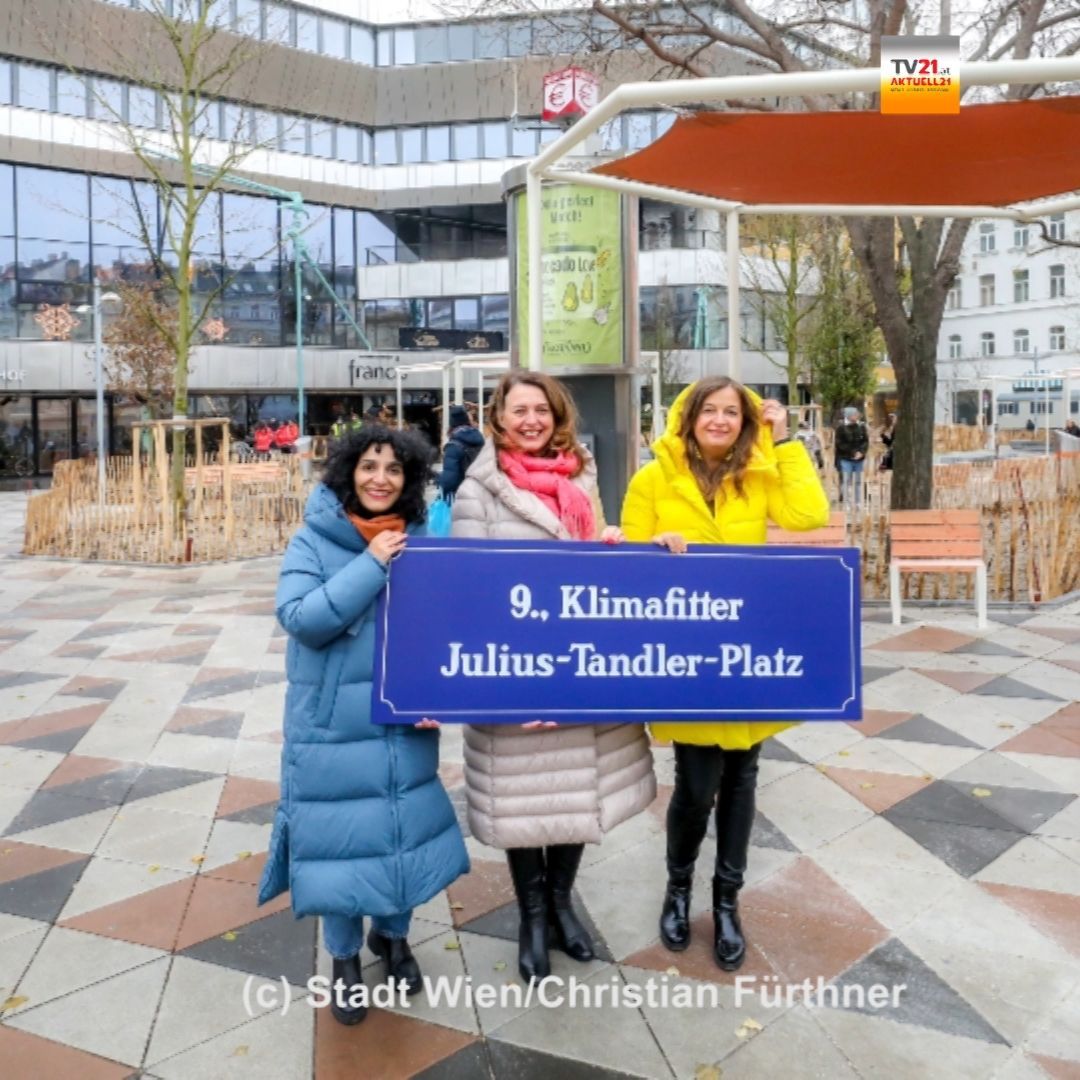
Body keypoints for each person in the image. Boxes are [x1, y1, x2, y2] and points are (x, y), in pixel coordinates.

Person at [258, 426, 469, 1026]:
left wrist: (440, 692)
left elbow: (446, 625)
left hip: (403, 721)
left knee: (399, 833)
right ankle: (345, 958)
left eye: (395, 469)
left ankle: (393, 938)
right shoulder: (314, 538)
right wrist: (372, 564)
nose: (381, 479)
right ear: (349, 470)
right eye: (370, 466)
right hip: (332, 727)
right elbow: (301, 618)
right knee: (341, 842)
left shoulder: (423, 538)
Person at [451, 370, 656, 983]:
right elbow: (472, 592)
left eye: (541, 409)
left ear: (557, 415)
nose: (532, 420)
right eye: (519, 410)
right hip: (518, 671)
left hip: (578, 670)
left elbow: (589, 563)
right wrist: (514, 682)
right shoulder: (478, 491)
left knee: (572, 795)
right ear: (499, 418)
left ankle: (563, 905)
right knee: (525, 800)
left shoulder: (580, 478)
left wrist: (611, 545)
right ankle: (533, 919)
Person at [621, 376, 828, 972]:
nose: (719, 420)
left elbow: (809, 515)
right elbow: (626, 564)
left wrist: (782, 442)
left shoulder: (758, 475)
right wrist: (654, 546)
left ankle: (727, 901)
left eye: (731, 412)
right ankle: (678, 889)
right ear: (687, 418)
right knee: (694, 784)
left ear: (746, 422)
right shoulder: (652, 479)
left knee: (741, 780)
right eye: (707, 410)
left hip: (744, 650)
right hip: (686, 656)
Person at [436, 404, 485, 499]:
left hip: (462, 498)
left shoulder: (453, 447)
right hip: (481, 495)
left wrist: (439, 479)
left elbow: (449, 482)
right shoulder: (480, 441)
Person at [834, 406, 869, 510]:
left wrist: (862, 452)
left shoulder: (861, 426)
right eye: (855, 414)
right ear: (849, 415)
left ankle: (858, 502)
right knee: (846, 480)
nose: (857, 415)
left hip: (859, 459)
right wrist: (853, 453)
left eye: (857, 414)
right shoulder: (841, 428)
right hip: (846, 458)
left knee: (858, 481)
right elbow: (840, 444)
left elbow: (865, 441)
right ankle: (846, 502)